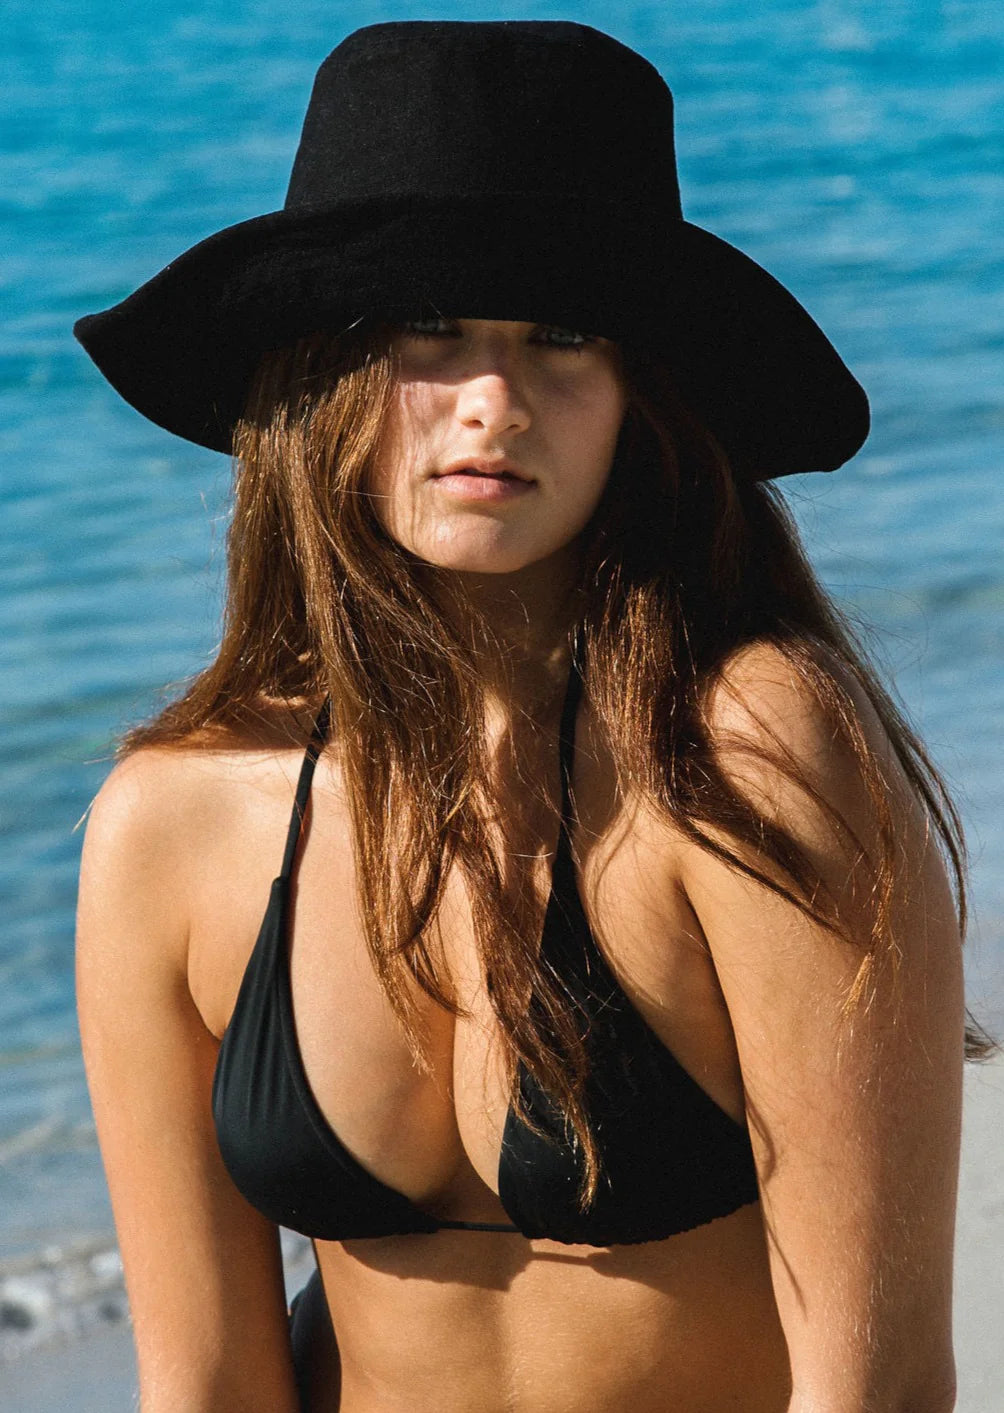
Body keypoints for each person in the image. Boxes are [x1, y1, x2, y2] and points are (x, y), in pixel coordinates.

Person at [74, 20, 979, 1413]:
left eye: (563, 337)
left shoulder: (741, 759)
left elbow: (880, 1386)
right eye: (430, 329)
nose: (493, 402)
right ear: (323, 374)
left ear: (640, 395)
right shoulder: (174, 822)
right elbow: (203, 1382)